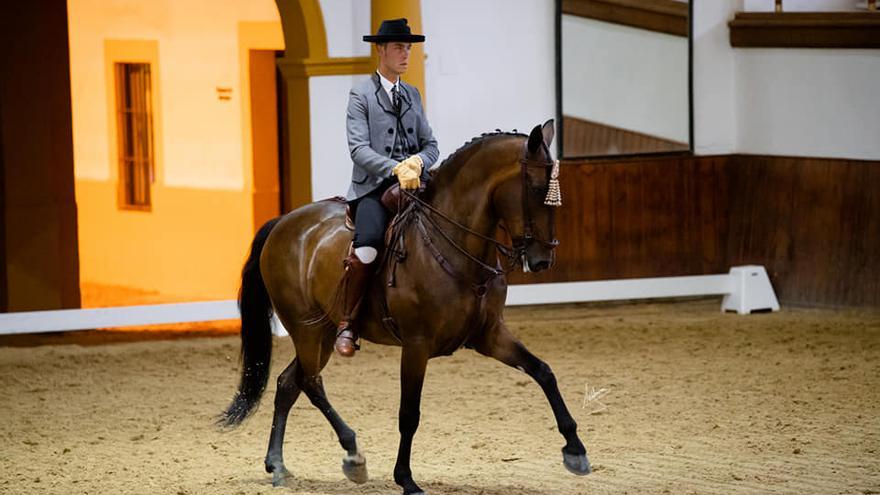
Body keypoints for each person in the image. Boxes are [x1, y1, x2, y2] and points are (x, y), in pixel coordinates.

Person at [335, 18, 439, 357]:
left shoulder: (412, 93)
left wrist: (418, 162)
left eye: (408, 47)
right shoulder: (360, 94)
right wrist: (395, 167)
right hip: (373, 189)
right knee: (367, 248)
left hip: (415, 184)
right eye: (398, 47)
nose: (405, 53)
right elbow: (358, 150)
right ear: (381, 50)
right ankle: (347, 323)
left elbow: (431, 144)